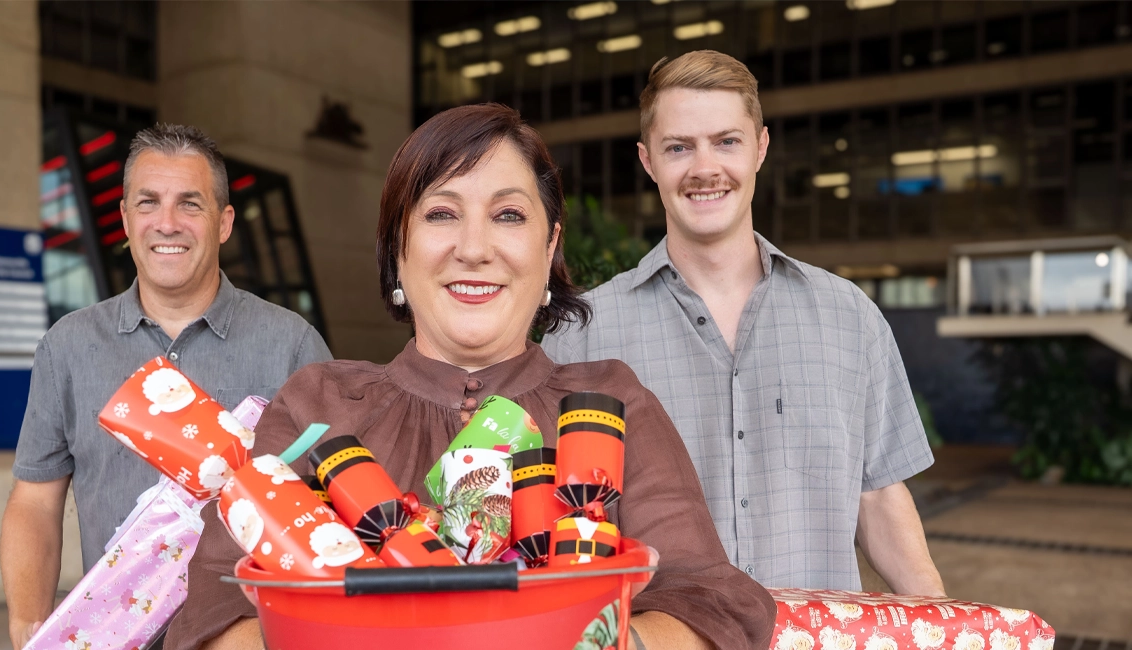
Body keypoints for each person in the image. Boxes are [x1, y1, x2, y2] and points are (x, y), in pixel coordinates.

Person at [166, 104, 776, 650]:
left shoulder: (607, 404)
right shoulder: (320, 405)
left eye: (509, 215)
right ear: (397, 250)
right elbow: (216, 613)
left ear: (548, 249)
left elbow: (706, 602)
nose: (474, 247)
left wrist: (596, 642)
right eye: (440, 214)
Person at [543, 51, 945, 596]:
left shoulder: (850, 317)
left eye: (726, 141)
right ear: (647, 161)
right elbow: (556, 528)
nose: (705, 167)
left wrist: (944, 621)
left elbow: (877, 499)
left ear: (760, 149)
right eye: (679, 147)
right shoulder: (583, 337)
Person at [1, 123, 333, 649]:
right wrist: (27, 622)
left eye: (191, 204)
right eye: (149, 202)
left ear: (224, 223)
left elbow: (330, 506)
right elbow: (36, 502)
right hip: (112, 638)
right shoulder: (67, 347)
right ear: (126, 220)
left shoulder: (292, 344)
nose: (168, 223)